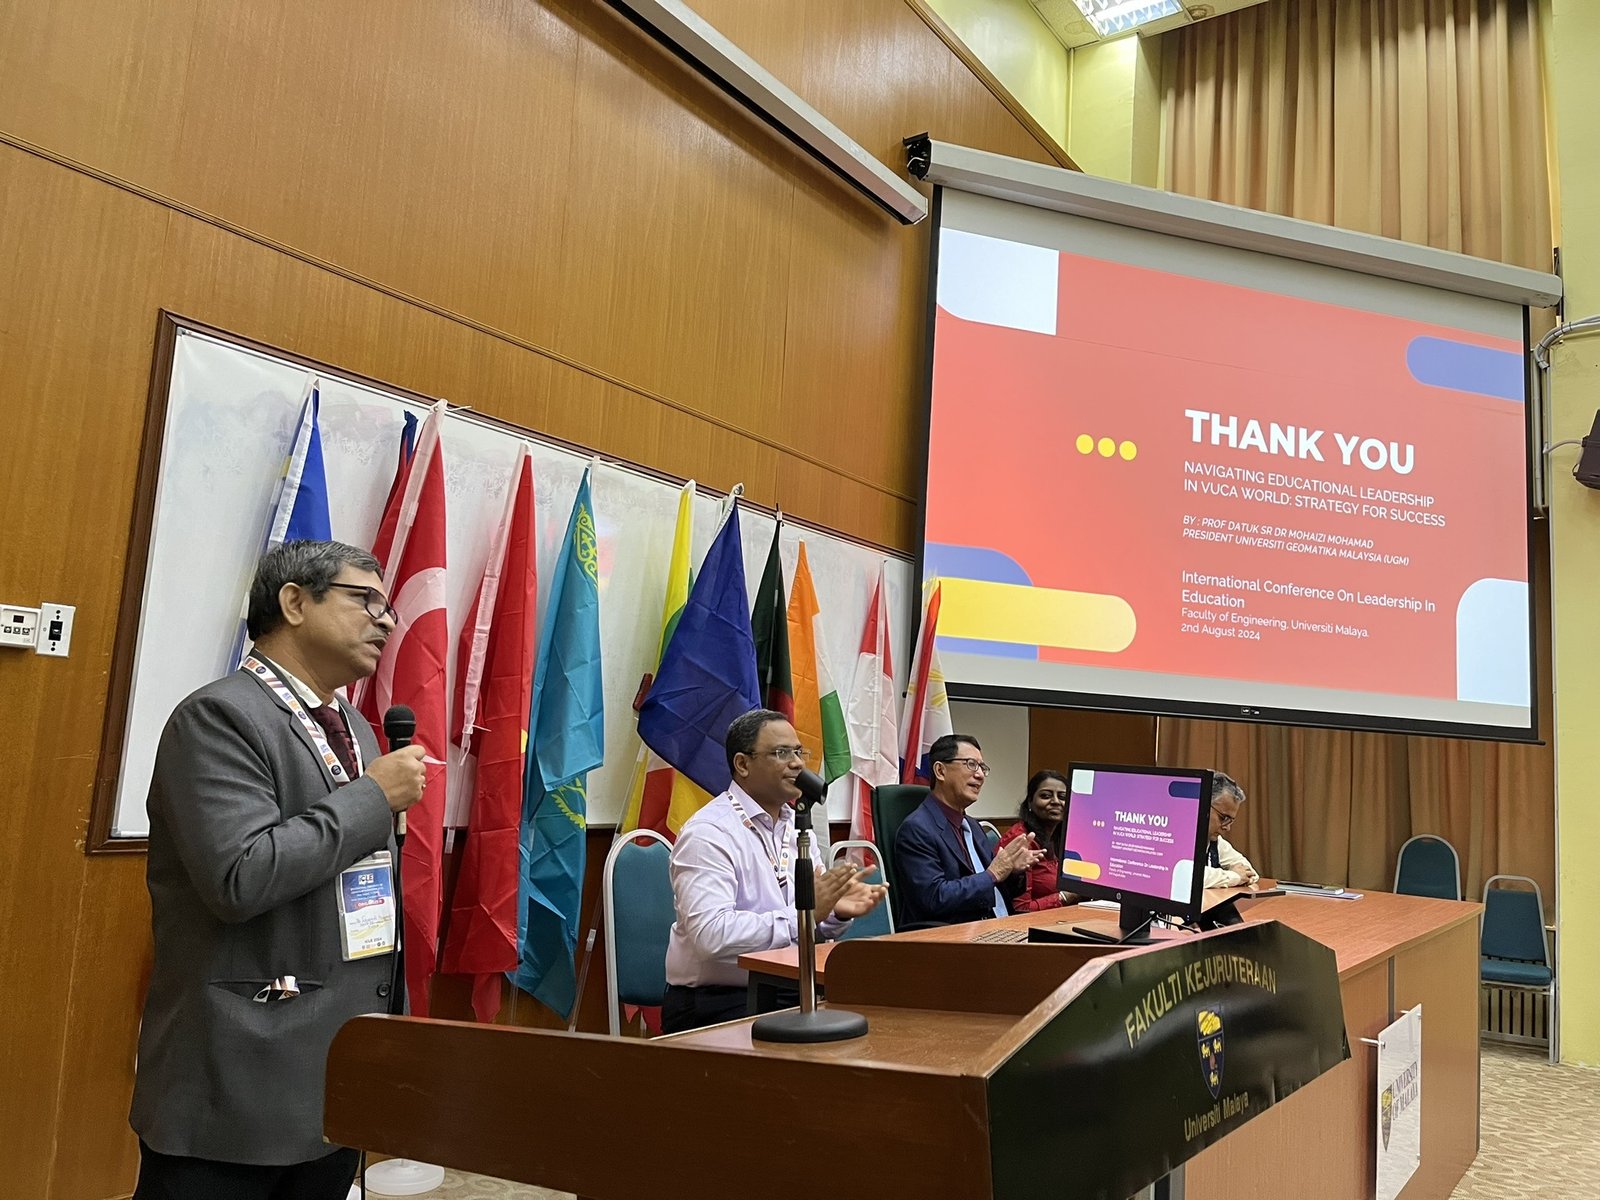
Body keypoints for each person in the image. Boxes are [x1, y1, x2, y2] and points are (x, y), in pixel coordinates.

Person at [130, 541, 428, 1200]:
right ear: (294, 601)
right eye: (364, 600)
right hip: (238, 1081)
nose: (385, 620)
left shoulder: (357, 727)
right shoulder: (220, 716)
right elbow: (240, 875)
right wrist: (373, 797)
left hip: (336, 1070)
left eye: (387, 607)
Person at [662, 708, 888, 1034]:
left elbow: (809, 927)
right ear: (743, 764)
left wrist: (834, 912)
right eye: (782, 753)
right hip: (718, 1002)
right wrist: (804, 916)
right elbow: (711, 935)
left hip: (789, 988)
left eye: (799, 752)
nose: (797, 764)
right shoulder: (709, 833)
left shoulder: (797, 828)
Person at [894, 733, 1045, 927]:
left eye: (982, 767)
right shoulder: (916, 829)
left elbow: (994, 889)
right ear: (940, 771)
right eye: (971, 764)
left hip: (999, 928)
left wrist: (1012, 872)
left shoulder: (973, 826)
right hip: (952, 935)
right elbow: (933, 898)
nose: (980, 775)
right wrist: (993, 874)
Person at [1000, 769, 1085, 913]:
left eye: (1062, 797)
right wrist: (1066, 896)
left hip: (1061, 917)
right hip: (1026, 923)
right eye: (1046, 796)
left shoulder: (1061, 836)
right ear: (1030, 802)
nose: (1056, 802)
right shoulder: (1021, 840)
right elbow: (1020, 909)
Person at [1205, 771, 1260, 888]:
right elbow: (1186, 876)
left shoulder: (1213, 839)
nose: (1227, 827)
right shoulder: (1172, 835)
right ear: (1203, 805)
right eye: (1223, 818)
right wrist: (1234, 877)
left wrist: (1241, 875)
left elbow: (1247, 869)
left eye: (1230, 821)